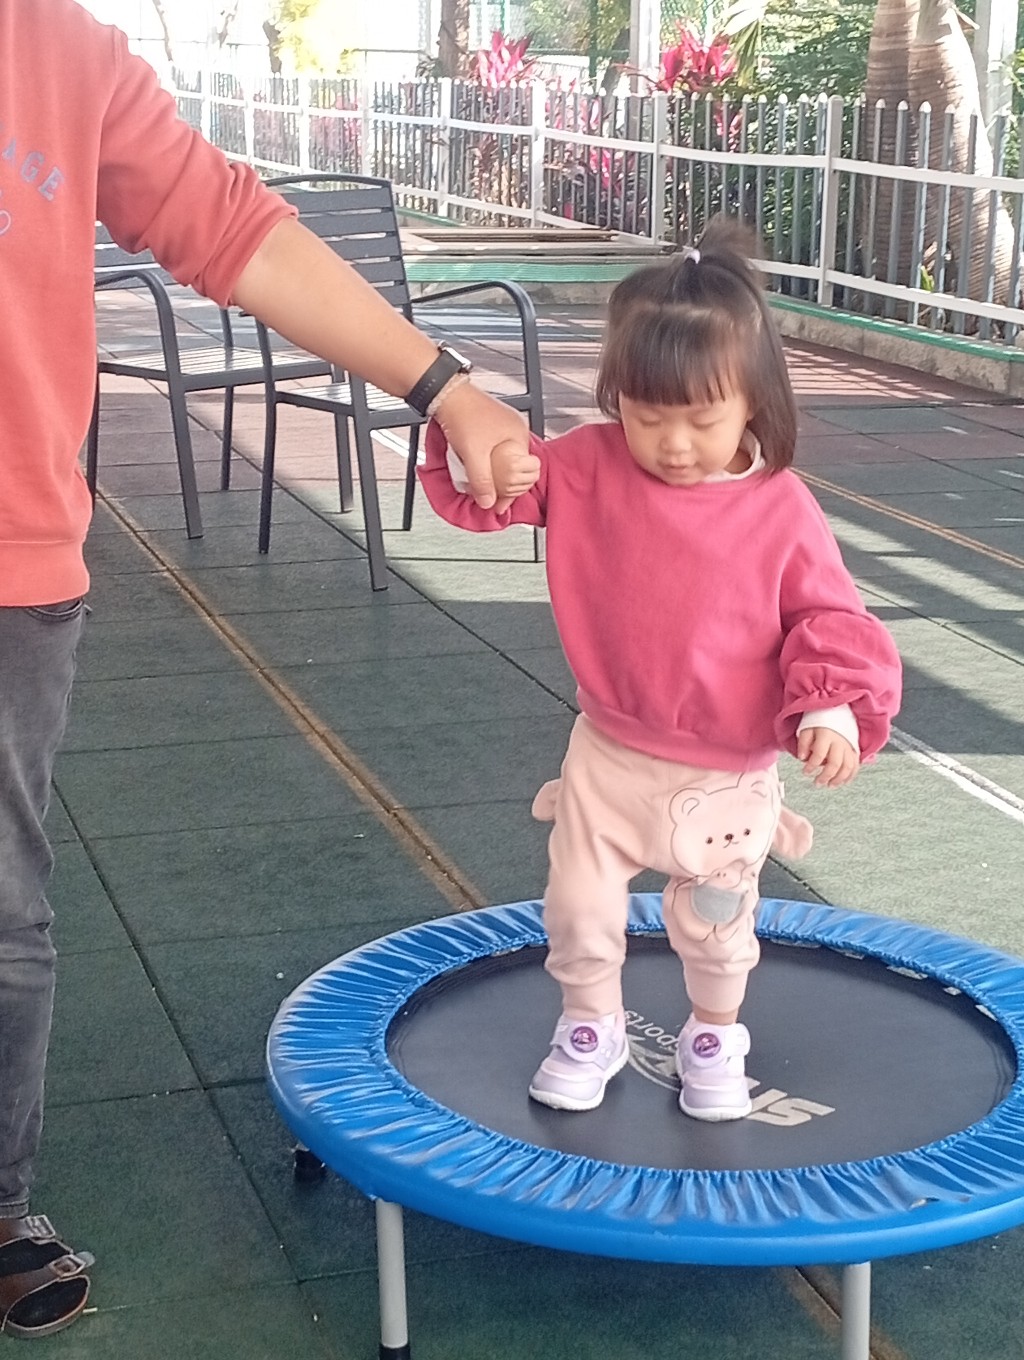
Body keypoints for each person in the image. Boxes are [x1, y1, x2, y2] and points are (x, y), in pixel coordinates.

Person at [0, 0, 529, 1337]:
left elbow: (232, 227)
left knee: (1, 915)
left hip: (8, 566)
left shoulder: (58, 49)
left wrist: (444, 386)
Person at [419, 218, 902, 1129]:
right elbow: (498, 495)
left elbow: (828, 615)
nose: (674, 444)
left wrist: (831, 706)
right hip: (609, 752)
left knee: (717, 926)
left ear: (753, 404)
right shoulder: (589, 466)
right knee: (577, 903)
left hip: (726, 773)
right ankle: (590, 1023)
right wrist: (488, 456)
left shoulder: (778, 507)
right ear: (617, 402)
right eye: (646, 417)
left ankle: (714, 1035)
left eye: (702, 421)